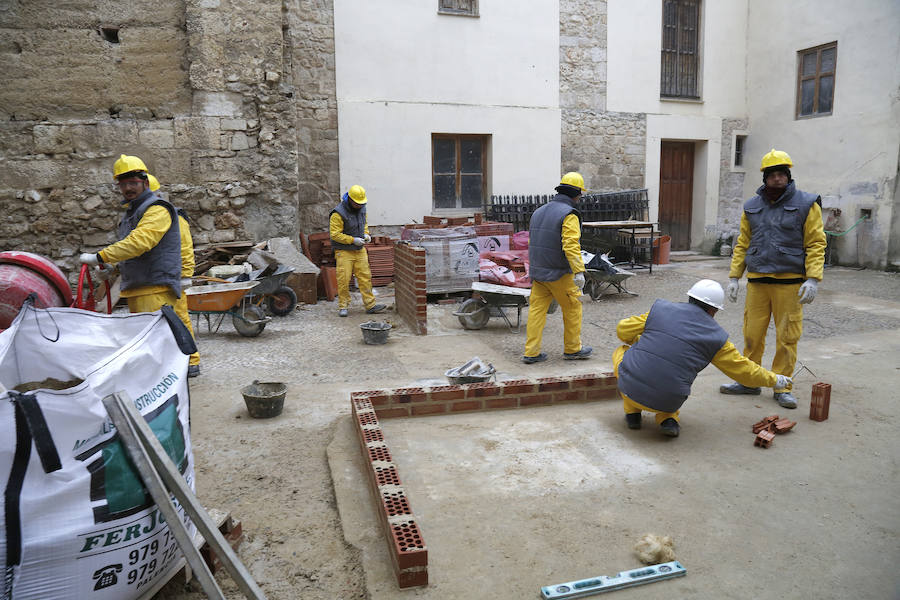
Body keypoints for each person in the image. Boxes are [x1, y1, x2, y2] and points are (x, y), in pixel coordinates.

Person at [614, 280, 791, 437]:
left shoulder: (661, 309)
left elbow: (622, 330)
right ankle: (667, 418)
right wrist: (775, 379)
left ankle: (632, 413)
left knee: (622, 350)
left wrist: (639, 342)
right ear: (714, 310)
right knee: (675, 374)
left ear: (690, 297)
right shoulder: (717, 338)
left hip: (629, 389)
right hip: (669, 400)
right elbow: (744, 371)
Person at [720, 149, 826, 409]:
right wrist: (735, 277)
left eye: (782, 174)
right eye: (772, 174)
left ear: (788, 177)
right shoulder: (751, 207)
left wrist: (812, 278)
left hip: (790, 283)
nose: (777, 179)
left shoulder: (806, 204)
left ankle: (782, 385)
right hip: (757, 282)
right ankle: (749, 381)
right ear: (765, 178)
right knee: (751, 335)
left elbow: (815, 243)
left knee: (787, 337)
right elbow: (743, 242)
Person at [79, 155, 200, 377]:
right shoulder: (133, 213)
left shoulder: (158, 209)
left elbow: (141, 242)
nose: (128, 188)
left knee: (168, 332)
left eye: (133, 183)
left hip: (156, 286)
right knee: (156, 338)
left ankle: (184, 366)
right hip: (139, 286)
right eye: (123, 184)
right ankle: (171, 371)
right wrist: (112, 269)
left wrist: (101, 256)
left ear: (145, 182)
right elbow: (131, 252)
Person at [522, 172, 592, 363]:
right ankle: (572, 349)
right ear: (576, 193)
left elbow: (532, 241)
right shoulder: (569, 214)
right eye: (580, 194)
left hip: (539, 272)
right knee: (572, 308)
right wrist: (579, 270)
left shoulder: (539, 211)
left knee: (536, 311)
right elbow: (570, 244)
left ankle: (531, 352)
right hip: (559, 273)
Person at [148, 173, 201, 375]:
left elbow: (185, 247)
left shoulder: (175, 217)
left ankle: (191, 361)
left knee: (180, 318)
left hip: (172, 278)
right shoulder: (145, 217)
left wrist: (186, 275)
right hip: (156, 279)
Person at [329, 184, 386, 317]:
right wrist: (352, 240)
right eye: (358, 204)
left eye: (362, 204)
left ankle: (370, 304)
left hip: (359, 250)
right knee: (343, 279)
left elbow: (363, 223)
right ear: (351, 200)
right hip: (344, 251)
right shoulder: (338, 213)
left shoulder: (362, 209)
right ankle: (343, 306)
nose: (360, 206)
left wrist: (366, 234)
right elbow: (335, 234)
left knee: (365, 277)